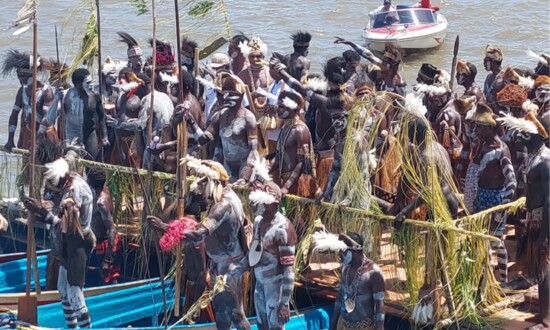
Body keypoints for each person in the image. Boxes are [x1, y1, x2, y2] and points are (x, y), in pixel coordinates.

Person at [149, 157, 251, 330]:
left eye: (203, 184)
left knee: (235, 313)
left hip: (230, 268)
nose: (199, 188)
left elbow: (198, 234)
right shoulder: (225, 196)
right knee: (220, 309)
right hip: (221, 264)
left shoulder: (223, 206)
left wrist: (165, 227)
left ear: (214, 182)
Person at [23, 157, 94, 328]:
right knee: (63, 289)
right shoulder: (71, 181)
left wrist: (41, 212)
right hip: (67, 243)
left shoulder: (74, 191)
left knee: (75, 295)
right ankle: (72, 327)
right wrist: (38, 213)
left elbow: (66, 225)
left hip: (78, 244)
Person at [498, 111, 550, 329]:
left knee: (544, 269)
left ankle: (546, 320)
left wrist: (544, 235)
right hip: (534, 218)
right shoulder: (535, 156)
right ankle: (542, 312)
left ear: (538, 136)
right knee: (536, 267)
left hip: (542, 220)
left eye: (525, 135)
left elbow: (549, 201)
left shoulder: (545, 161)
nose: (520, 138)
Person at [246, 161, 297, 330]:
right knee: (261, 325)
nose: (259, 206)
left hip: (276, 286)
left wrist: (284, 303)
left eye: (263, 203)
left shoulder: (284, 229)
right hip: (260, 284)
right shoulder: (259, 221)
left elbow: (289, 270)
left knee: (275, 327)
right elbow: (253, 252)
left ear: (274, 203)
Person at [471, 103, 516, 283]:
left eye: (479, 127)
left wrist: (500, 208)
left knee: (496, 241)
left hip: (496, 199)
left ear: (490, 129)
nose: (476, 130)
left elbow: (512, 182)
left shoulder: (501, 150)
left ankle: (503, 281)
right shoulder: (483, 145)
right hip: (481, 197)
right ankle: (482, 279)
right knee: (479, 240)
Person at [184, 73, 259, 182]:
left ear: (241, 96)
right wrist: (191, 121)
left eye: (231, 95)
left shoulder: (248, 118)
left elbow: (254, 151)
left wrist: (247, 172)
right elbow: (203, 139)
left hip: (244, 165)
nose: (227, 98)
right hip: (227, 165)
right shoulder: (220, 115)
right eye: (225, 94)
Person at [269, 91, 320, 198]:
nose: (278, 109)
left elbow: (302, 163)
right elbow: (278, 158)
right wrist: (264, 173)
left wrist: (287, 186)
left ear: (291, 108)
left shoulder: (300, 130)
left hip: (297, 184)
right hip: (285, 182)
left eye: (281, 106)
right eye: (277, 106)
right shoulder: (285, 128)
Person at [330, 233, 385, 330]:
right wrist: (333, 325)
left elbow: (379, 308)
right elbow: (339, 298)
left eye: (343, 250)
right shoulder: (345, 268)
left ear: (355, 251)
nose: (339, 254)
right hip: (343, 326)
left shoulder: (373, 272)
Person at [2, 49, 54, 152]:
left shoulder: (45, 91)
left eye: (21, 75)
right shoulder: (22, 91)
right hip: (28, 134)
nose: (19, 79)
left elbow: (46, 119)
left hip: (45, 136)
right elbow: (14, 115)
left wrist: (38, 142)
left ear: (30, 75)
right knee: (27, 166)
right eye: (18, 75)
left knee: (43, 166)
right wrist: (10, 139)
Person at [63, 68, 109, 160]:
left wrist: (104, 136)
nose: (91, 85)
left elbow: (102, 116)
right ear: (78, 84)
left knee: (92, 163)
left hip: (90, 134)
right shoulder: (67, 96)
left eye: (91, 82)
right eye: (88, 83)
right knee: (70, 162)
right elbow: (60, 115)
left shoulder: (95, 96)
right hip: (72, 135)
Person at [87, 167, 121, 285]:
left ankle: (114, 300)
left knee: (109, 276)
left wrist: (107, 259)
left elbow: (112, 229)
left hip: (107, 245)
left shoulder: (101, 203)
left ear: (90, 182)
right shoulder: (104, 191)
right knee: (105, 275)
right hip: (100, 243)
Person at [483, 44, 504, 111]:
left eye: (486, 61)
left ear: (492, 62)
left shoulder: (503, 78)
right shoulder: (489, 77)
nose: (484, 64)